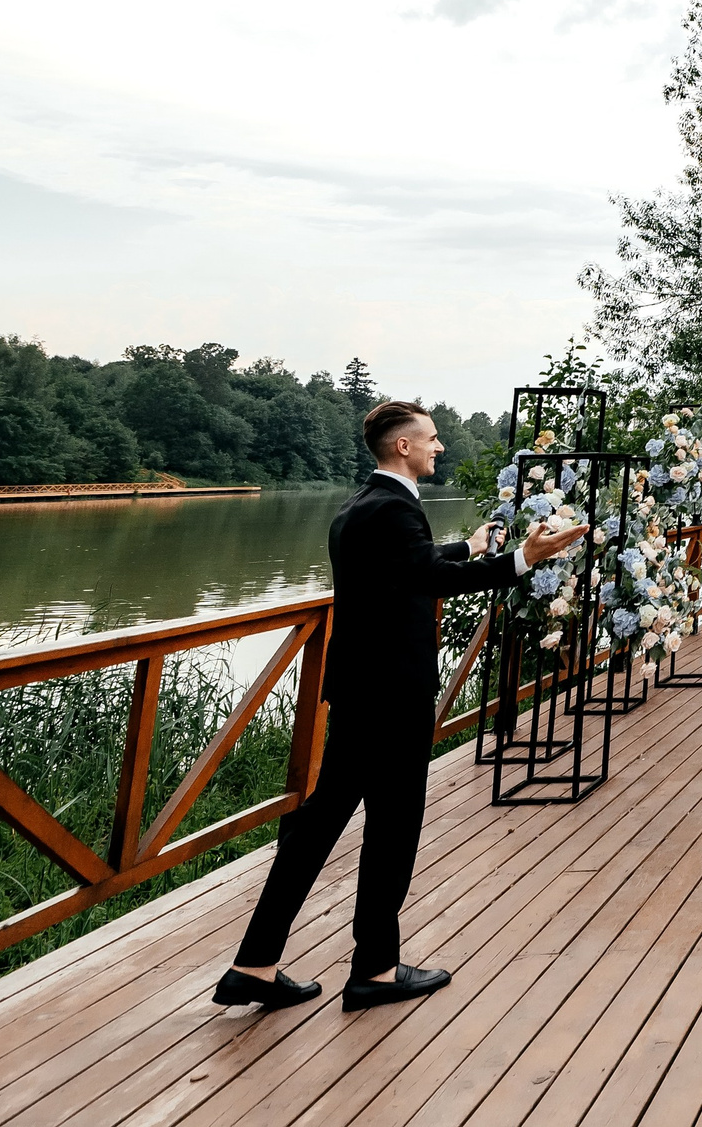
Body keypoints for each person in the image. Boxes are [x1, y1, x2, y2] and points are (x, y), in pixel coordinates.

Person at [216, 401, 585, 1014]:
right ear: (404, 447)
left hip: (361, 693)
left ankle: (254, 964)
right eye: (432, 438)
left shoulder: (360, 506)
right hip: (392, 698)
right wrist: (525, 559)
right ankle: (375, 972)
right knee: (392, 828)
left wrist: (467, 546)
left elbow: (407, 567)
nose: (439, 446)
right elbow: (429, 578)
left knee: (317, 825)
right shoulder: (393, 509)